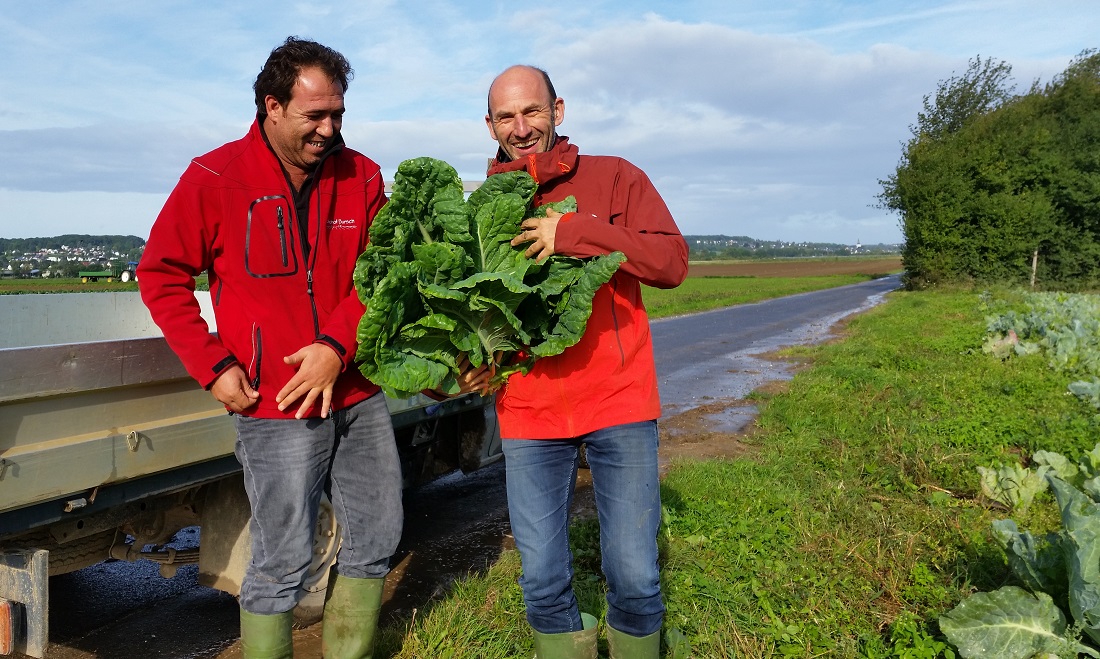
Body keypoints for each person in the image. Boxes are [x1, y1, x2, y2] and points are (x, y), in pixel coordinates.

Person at [138, 37, 400, 659]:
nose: (329, 129)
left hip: (356, 390)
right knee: (283, 555)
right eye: (315, 115)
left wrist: (339, 344)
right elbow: (161, 275)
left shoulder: (360, 175)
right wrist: (214, 366)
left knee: (379, 532)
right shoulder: (214, 177)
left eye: (337, 113)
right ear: (272, 106)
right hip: (275, 404)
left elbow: (382, 273)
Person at [483, 65, 689, 659]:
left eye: (532, 111)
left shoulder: (617, 178)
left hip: (617, 400)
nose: (521, 128)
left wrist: (575, 232)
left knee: (633, 572)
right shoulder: (484, 208)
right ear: (490, 124)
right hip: (527, 411)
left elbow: (672, 263)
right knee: (542, 578)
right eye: (506, 117)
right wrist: (470, 369)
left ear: (559, 110)